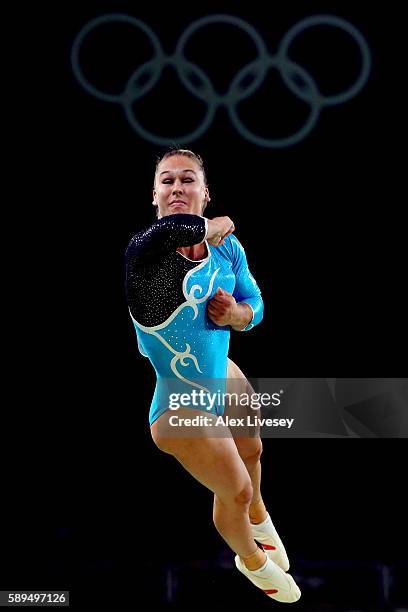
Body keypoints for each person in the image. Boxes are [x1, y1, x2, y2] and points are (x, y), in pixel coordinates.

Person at [125, 149, 301, 603]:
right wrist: (218, 222)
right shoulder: (145, 254)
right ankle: (251, 560)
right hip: (178, 402)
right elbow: (174, 231)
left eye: (188, 180)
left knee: (253, 447)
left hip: (219, 369)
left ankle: (261, 516)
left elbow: (255, 303)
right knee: (236, 492)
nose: (177, 188)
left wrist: (239, 315)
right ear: (155, 195)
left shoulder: (229, 249)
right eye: (167, 181)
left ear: (205, 191)